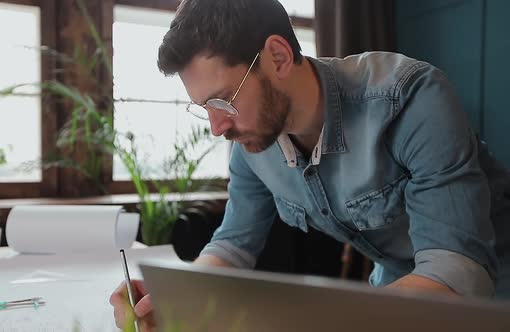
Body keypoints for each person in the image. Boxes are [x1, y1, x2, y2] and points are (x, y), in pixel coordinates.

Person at [110, 0, 510, 329]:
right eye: (204, 109)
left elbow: (456, 272)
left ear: (278, 56)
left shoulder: (409, 99)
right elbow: (233, 244)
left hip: (488, 293)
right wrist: (176, 299)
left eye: (223, 100)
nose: (217, 127)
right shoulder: (253, 139)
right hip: (393, 289)